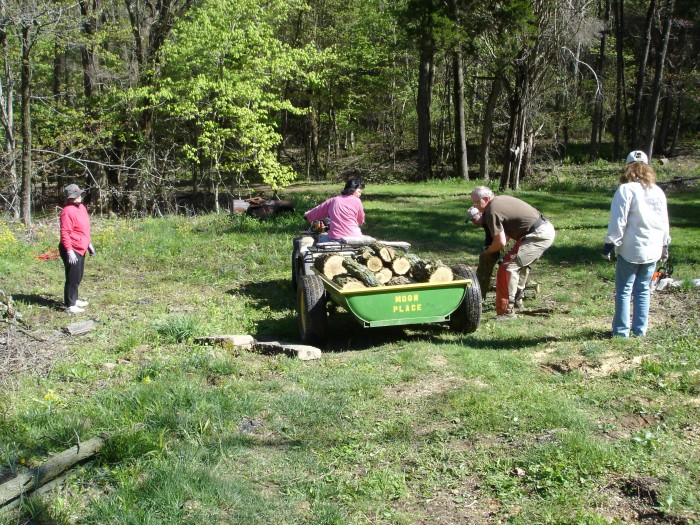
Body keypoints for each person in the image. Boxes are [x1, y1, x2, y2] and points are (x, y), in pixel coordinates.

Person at [601, 151, 670, 337]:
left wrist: (609, 244)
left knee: (624, 289)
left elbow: (618, 220)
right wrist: (665, 244)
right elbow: (664, 221)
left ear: (627, 167)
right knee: (643, 289)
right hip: (653, 248)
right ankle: (640, 330)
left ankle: (621, 331)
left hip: (631, 248)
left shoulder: (625, 190)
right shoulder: (657, 191)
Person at [470, 186, 555, 320]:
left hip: (538, 235)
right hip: (537, 231)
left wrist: (488, 251)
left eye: (475, 202)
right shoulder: (499, 201)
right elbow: (507, 234)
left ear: (485, 199)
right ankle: (516, 301)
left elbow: (500, 243)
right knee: (515, 264)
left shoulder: (492, 210)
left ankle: (506, 312)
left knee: (507, 268)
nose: (474, 206)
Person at [304, 176, 373, 245]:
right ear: (353, 189)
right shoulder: (357, 201)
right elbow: (360, 220)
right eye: (359, 191)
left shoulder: (333, 200)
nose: (360, 194)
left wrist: (307, 215)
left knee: (319, 241)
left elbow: (317, 211)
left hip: (336, 238)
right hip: (355, 237)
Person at [59, 184, 95, 314]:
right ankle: (70, 304)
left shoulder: (82, 208)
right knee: (72, 277)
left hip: (81, 247)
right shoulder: (67, 211)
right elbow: (65, 233)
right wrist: (69, 251)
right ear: (69, 197)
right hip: (72, 248)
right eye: (75, 195)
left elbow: (84, 229)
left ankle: (75, 299)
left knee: (78, 276)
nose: (78, 196)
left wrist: (88, 244)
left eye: (79, 194)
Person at [466, 206, 499, 300]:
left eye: (473, 219)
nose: (473, 223)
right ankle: (480, 293)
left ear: (480, 214)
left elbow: (500, 238)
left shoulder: (491, 220)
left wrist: (489, 251)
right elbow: (489, 239)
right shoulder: (485, 224)